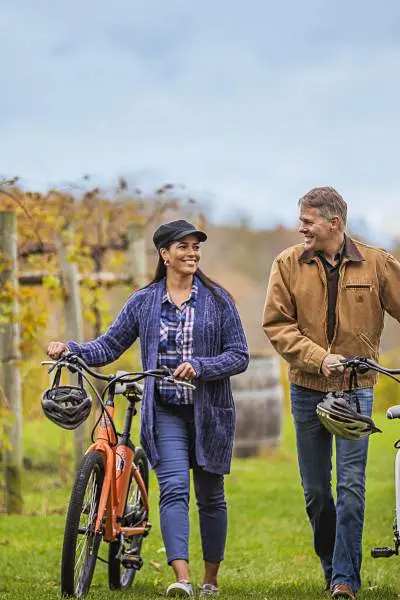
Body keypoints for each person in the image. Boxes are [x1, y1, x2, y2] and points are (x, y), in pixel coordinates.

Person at [47, 219, 249, 598]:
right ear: (164, 254)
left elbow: (238, 356)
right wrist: (70, 348)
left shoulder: (218, 300)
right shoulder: (143, 302)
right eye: (184, 247)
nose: (192, 253)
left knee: (210, 496)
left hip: (209, 412)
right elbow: (108, 346)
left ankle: (211, 579)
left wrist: (202, 367)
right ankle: (183, 579)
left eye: (196, 247)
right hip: (166, 410)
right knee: (173, 489)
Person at [262, 187, 400, 600]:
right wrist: (319, 358)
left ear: (333, 223)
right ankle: (331, 565)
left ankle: (344, 581)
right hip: (307, 390)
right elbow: (276, 326)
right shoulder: (287, 264)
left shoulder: (376, 263)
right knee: (317, 494)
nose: (300, 227)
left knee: (352, 489)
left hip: (356, 391)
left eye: (308, 220)